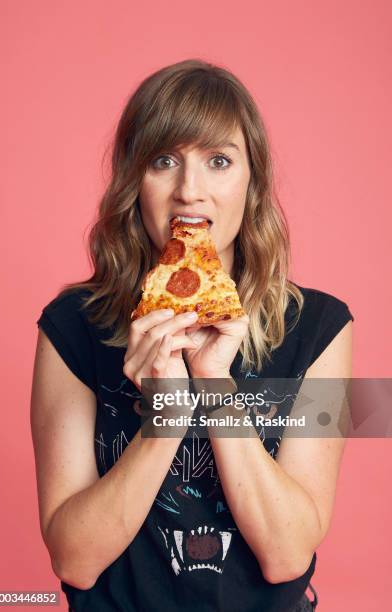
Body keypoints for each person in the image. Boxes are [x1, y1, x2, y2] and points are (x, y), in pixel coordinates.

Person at [30, 58, 353, 612]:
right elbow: (72, 561)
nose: (189, 191)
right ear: (135, 181)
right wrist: (166, 418)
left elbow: (289, 555)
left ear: (252, 183)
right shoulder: (70, 327)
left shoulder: (324, 328)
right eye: (164, 161)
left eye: (219, 161)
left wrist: (213, 384)